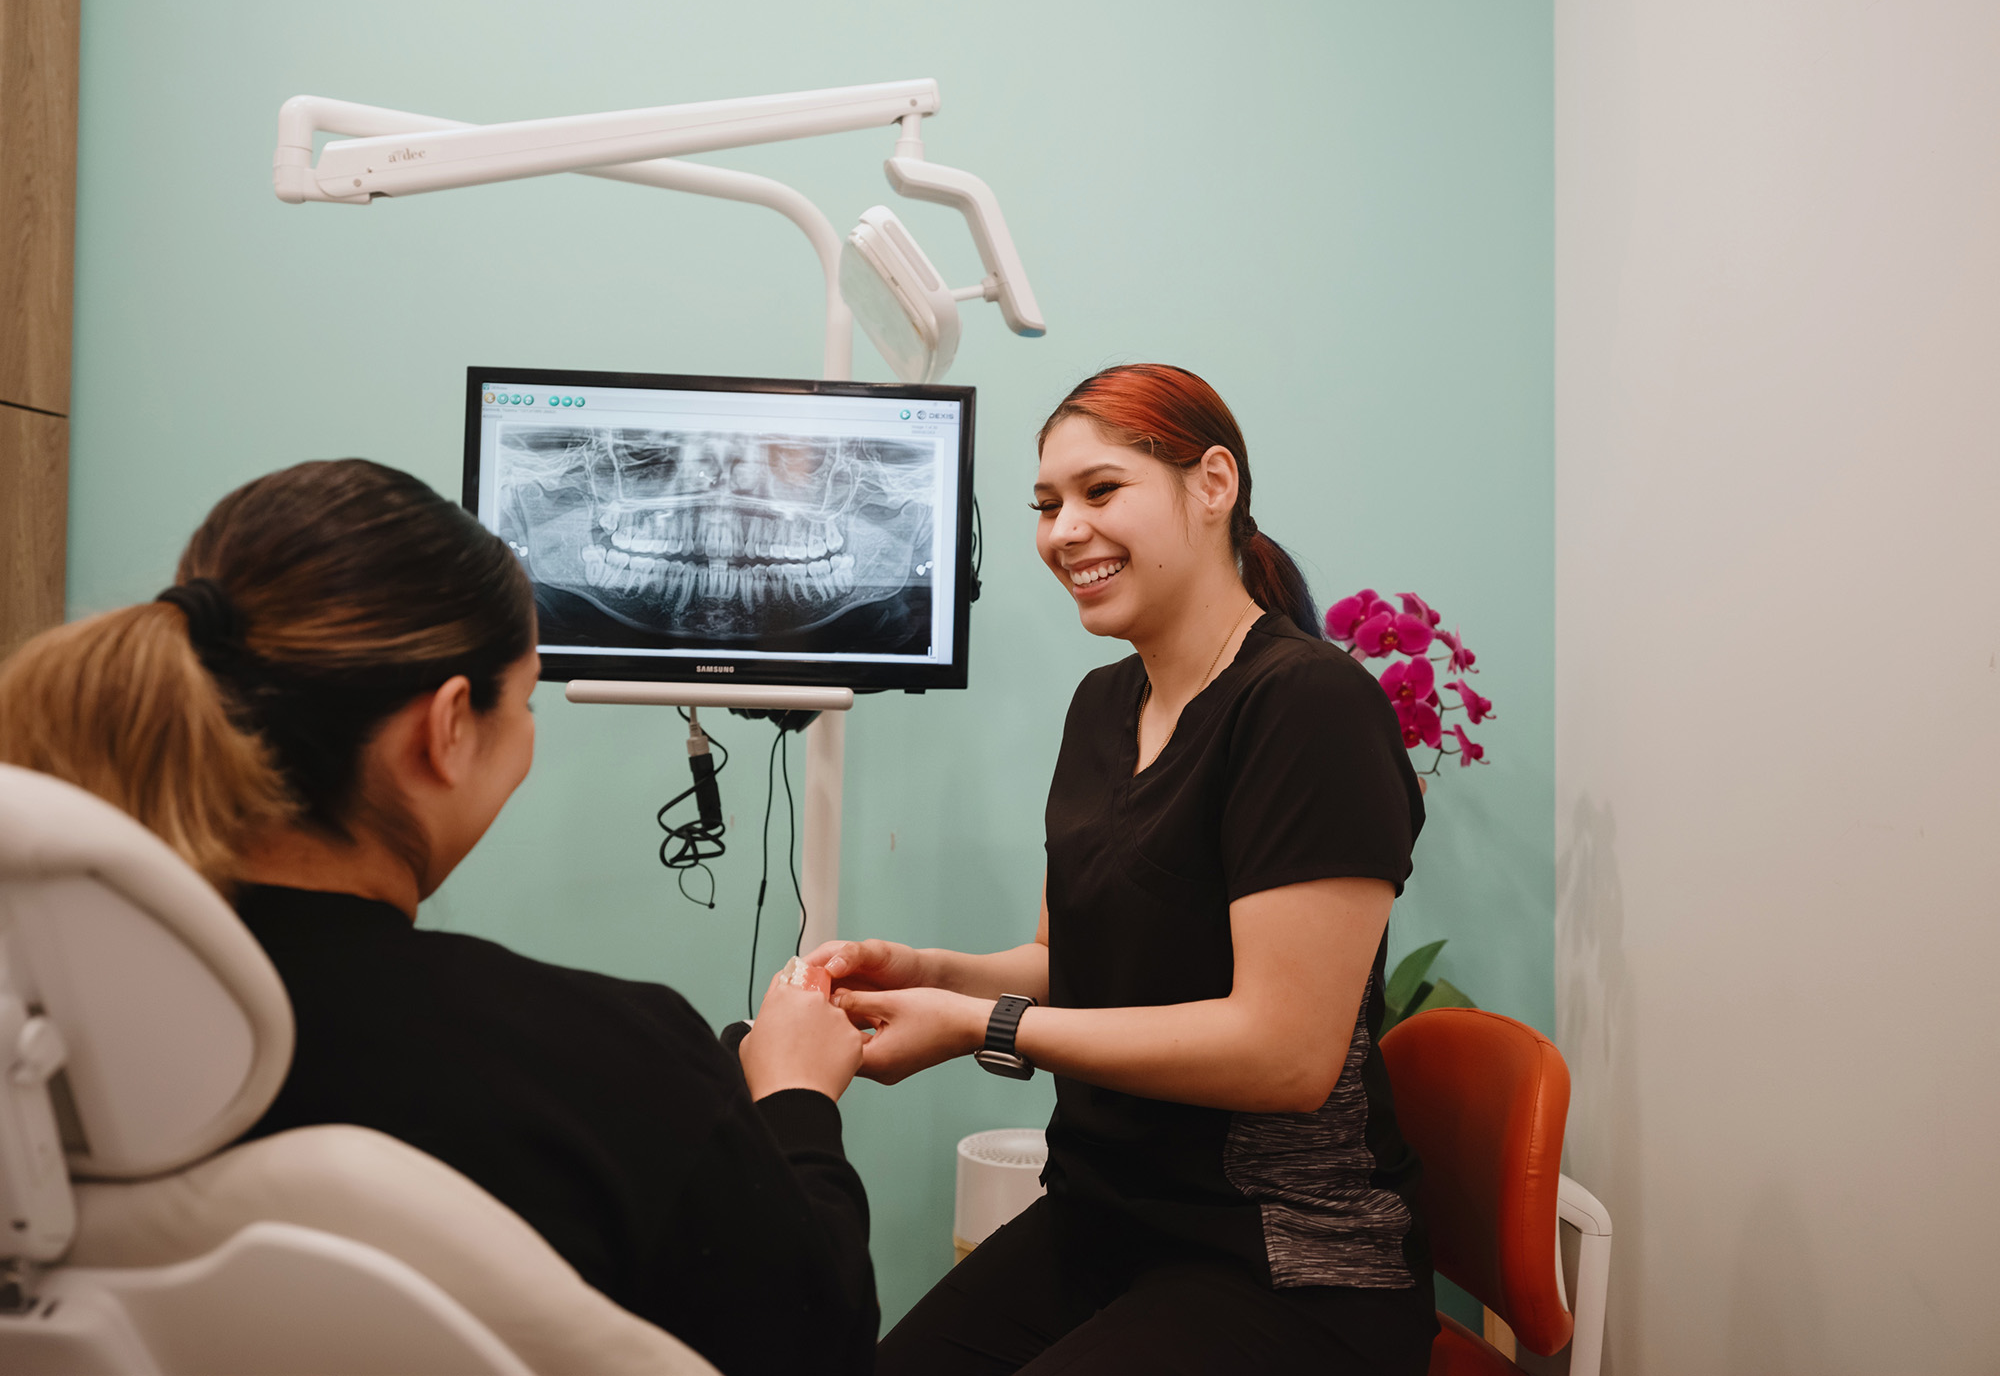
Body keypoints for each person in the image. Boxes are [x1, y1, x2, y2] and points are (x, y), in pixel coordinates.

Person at [0, 459, 877, 1376]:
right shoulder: (601, 1058)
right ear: (448, 726)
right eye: (526, 701)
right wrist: (795, 1099)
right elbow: (818, 1346)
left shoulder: (46, 1028)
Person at [811, 364, 1435, 1376]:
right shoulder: (1102, 707)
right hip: (1106, 1220)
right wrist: (922, 971)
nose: (1062, 532)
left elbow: (1286, 1053)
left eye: (1100, 492)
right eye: (1046, 505)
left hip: (1285, 1262)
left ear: (1212, 484)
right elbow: (1073, 962)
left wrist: (979, 1026)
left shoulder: (1307, 708)